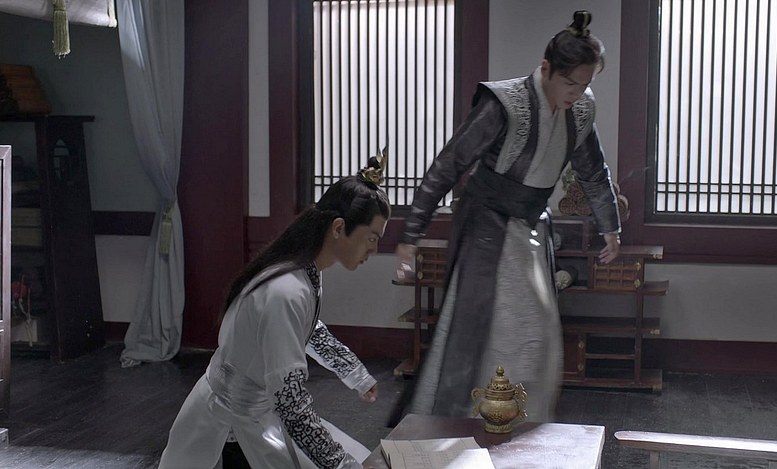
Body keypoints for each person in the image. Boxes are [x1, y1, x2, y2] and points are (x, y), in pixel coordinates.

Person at [395, 10, 622, 423]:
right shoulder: (505, 103)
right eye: (569, 83)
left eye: (584, 84)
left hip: (532, 224)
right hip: (488, 224)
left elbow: (592, 170)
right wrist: (411, 234)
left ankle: (518, 425)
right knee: (495, 330)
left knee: (539, 333)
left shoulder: (581, 110)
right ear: (546, 68)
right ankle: (463, 422)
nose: (576, 93)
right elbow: (448, 164)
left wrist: (610, 227)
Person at [159, 153, 391, 469]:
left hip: (260, 413)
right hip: (231, 425)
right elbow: (291, 403)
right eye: (372, 238)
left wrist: (355, 373)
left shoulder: (304, 270)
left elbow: (308, 330)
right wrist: (341, 464)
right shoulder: (287, 290)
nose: (374, 250)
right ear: (339, 228)